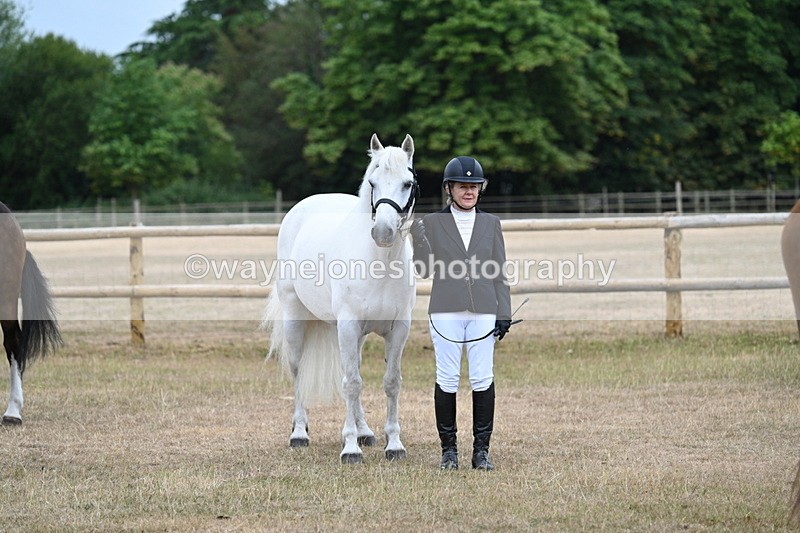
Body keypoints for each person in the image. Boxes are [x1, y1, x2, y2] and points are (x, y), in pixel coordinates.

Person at [410, 155, 512, 470]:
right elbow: (423, 270)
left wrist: (503, 312)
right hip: (445, 310)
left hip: (483, 308)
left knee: (482, 378)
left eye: (474, 186)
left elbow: (499, 271)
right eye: (462, 186)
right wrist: (419, 241)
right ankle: (449, 451)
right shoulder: (432, 223)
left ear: (480, 189)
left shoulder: (491, 223)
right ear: (449, 189)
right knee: (448, 378)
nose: (468, 191)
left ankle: (481, 451)